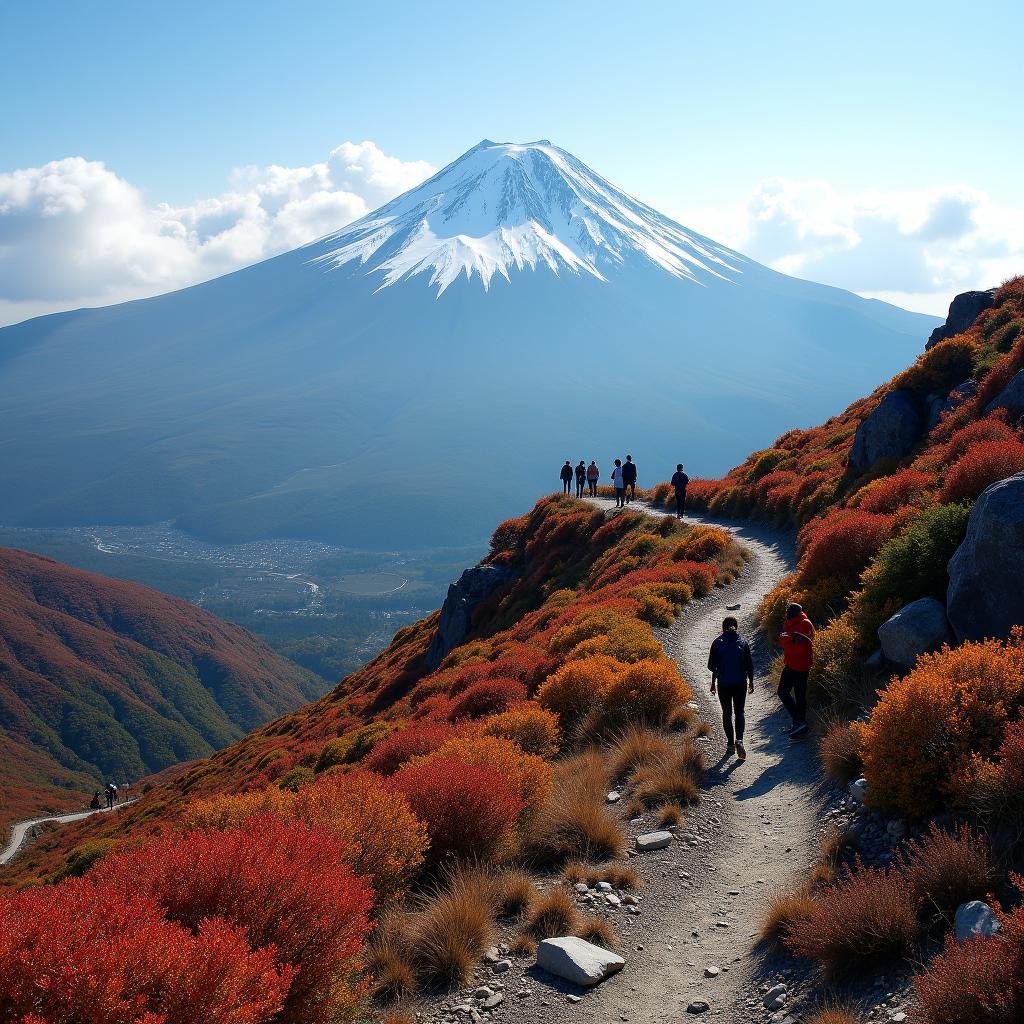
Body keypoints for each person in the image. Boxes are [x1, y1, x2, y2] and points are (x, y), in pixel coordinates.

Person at [708, 616, 755, 759]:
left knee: (727, 713)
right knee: (739, 711)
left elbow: (711, 666)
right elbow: (749, 666)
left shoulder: (717, 643)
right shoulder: (742, 642)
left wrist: (713, 682)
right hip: (740, 683)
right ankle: (739, 740)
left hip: (724, 684)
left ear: (723, 627)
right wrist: (751, 682)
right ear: (736, 626)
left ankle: (730, 744)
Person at [778, 602, 815, 738]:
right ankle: (798, 721)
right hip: (792, 663)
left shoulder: (804, 623)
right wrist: (790, 639)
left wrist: (789, 639)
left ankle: (799, 722)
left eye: (788, 611)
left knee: (796, 694)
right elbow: (783, 640)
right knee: (785, 692)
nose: (786, 613)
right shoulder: (790, 624)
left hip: (800, 665)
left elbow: (800, 643)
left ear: (793, 613)